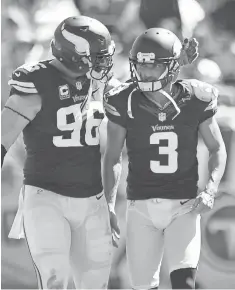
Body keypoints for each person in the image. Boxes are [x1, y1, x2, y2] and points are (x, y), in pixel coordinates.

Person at [1, 15, 121, 289]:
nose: (104, 64)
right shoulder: (36, 83)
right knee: (56, 280)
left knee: (94, 284)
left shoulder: (102, 84)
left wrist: (111, 203)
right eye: (96, 58)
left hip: (93, 199)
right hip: (46, 196)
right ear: (73, 55)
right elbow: (2, 139)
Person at [103, 27, 227, 289]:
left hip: (184, 206)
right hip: (141, 209)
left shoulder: (195, 98)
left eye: (154, 67)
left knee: (184, 283)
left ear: (171, 67)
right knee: (142, 286)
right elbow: (112, 157)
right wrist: (110, 205)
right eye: (141, 66)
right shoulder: (124, 100)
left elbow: (217, 148)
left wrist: (210, 189)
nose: (145, 74)